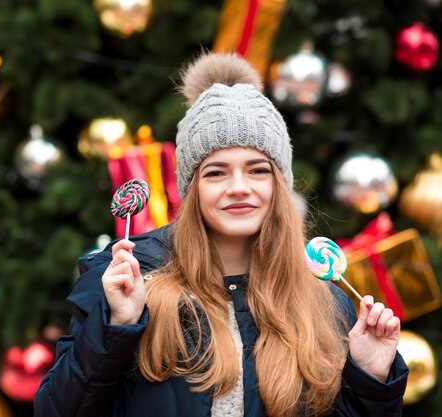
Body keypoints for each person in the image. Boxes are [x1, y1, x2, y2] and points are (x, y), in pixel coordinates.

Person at [34, 52, 408, 417]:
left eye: (258, 170)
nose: (239, 187)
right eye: (216, 173)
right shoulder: (128, 280)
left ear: (280, 184)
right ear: (192, 187)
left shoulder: (322, 299)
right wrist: (116, 327)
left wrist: (371, 377)